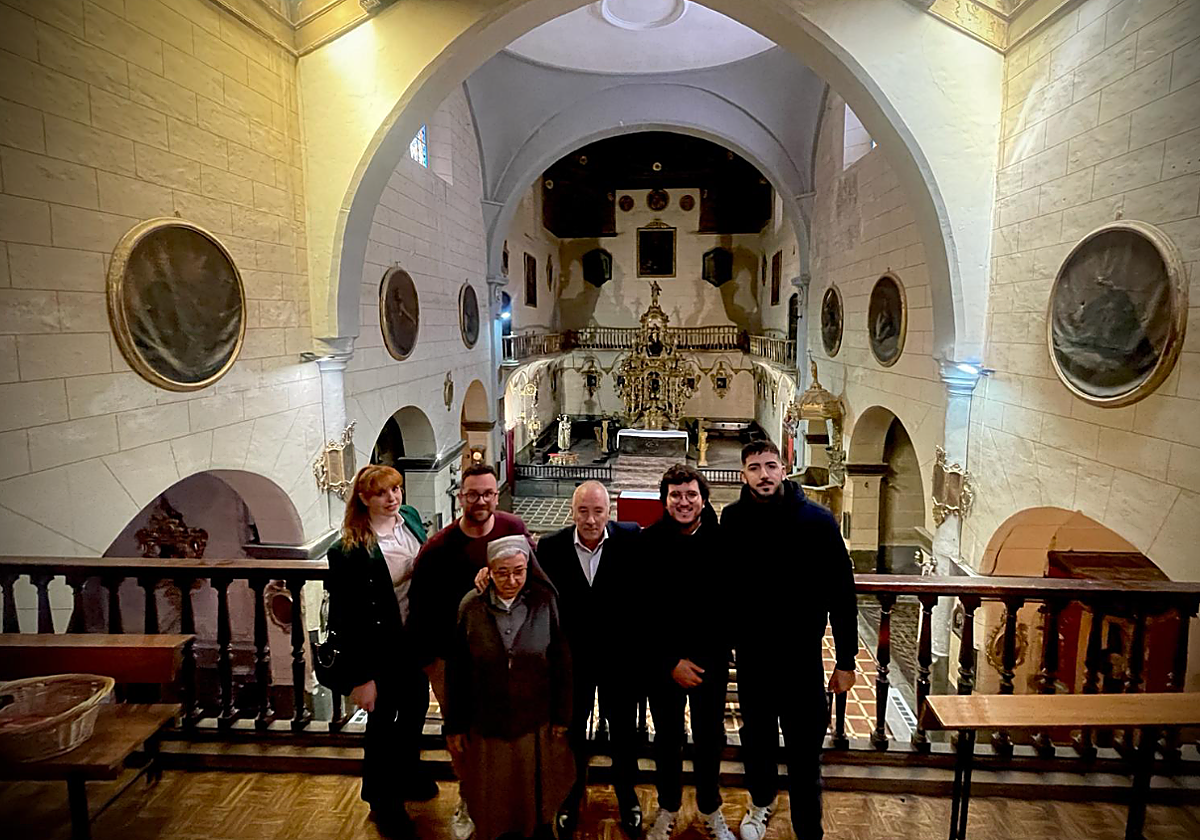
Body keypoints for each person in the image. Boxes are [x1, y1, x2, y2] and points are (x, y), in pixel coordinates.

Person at [719, 440, 858, 840]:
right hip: (753, 656)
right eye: (754, 468)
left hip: (801, 659)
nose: (763, 474)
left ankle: (807, 828)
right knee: (758, 741)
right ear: (743, 474)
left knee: (804, 752)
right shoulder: (733, 519)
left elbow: (841, 591)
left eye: (770, 466)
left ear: (784, 469)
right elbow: (725, 588)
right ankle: (760, 803)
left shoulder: (817, 519)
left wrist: (846, 659)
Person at [409, 463, 549, 840]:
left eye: (488, 493)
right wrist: (432, 665)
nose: (482, 500)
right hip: (452, 660)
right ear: (461, 497)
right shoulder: (438, 549)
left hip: (507, 657)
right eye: (473, 494)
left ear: (496, 494)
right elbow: (420, 609)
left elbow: (536, 581)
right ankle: (469, 800)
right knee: (463, 737)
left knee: (502, 733)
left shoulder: (513, 530)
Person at [325, 465, 433, 838]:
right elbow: (343, 618)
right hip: (376, 649)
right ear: (364, 499)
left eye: (396, 490)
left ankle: (407, 774)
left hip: (411, 641)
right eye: (382, 493)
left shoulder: (411, 519)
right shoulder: (349, 550)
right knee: (383, 726)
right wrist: (361, 678)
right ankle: (382, 800)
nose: (393, 498)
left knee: (416, 707)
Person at [445, 535, 575, 840]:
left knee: (533, 793)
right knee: (493, 795)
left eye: (519, 571)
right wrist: (455, 724)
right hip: (487, 720)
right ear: (488, 571)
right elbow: (458, 671)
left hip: (533, 720)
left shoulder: (544, 602)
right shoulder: (471, 607)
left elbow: (561, 662)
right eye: (502, 572)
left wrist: (562, 715)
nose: (511, 580)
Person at [535, 480, 642, 836]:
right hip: (571, 661)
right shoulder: (551, 547)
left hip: (619, 660)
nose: (591, 519)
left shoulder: (630, 539)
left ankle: (627, 796)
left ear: (609, 511)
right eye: (584, 511)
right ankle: (570, 795)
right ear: (572, 511)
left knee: (624, 734)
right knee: (573, 733)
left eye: (598, 511)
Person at [642, 465, 735, 840]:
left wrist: (708, 658)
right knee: (666, 740)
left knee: (710, 739)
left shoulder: (723, 542)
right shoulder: (648, 543)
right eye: (676, 495)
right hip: (664, 665)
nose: (684, 502)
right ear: (665, 501)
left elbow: (730, 606)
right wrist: (670, 662)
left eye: (690, 495)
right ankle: (667, 808)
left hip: (709, 664)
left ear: (703, 498)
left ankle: (711, 809)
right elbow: (643, 610)